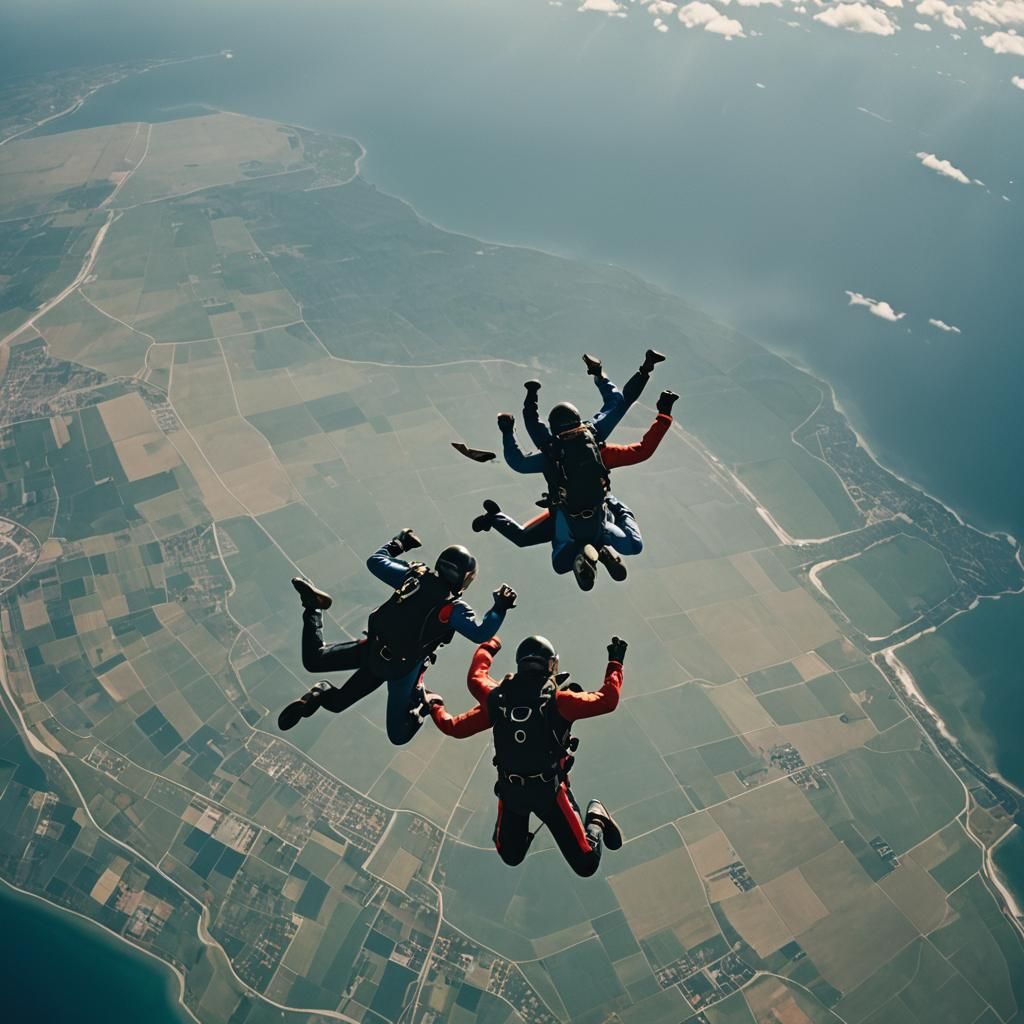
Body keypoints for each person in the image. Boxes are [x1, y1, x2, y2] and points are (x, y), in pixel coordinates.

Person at [278, 529, 517, 744]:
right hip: (401, 671)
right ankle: (426, 702)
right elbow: (480, 633)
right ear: (464, 579)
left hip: (372, 650)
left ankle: (313, 609)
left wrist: (399, 543)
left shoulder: (413, 577)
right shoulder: (451, 609)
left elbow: (375, 562)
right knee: (398, 734)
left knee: (314, 660)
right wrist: (500, 607)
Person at [424, 634, 628, 876]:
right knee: (585, 864)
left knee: (511, 855)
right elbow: (608, 701)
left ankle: (597, 815)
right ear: (551, 665)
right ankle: (594, 821)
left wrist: (489, 644)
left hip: (517, 791)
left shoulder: (498, 700)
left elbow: (461, 709)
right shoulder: (559, 701)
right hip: (547, 792)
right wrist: (615, 663)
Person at [475, 389, 678, 588]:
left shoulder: (551, 453)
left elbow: (517, 461)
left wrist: (508, 430)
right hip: (600, 519)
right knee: (633, 546)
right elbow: (641, 449)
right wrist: (664, 414)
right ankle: (601, 548)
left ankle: (496, 518)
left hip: (567, 518)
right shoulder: (596, 444)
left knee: (558, 562)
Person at [521, 349, 666, 450]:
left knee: (619, 402)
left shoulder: (550, 450)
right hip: (588, 434)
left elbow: (519, 462)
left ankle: (642, 369)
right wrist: (531, 394)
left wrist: (531, 395)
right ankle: (603, 374)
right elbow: (532, 423)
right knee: (618, 402)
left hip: (585, 440)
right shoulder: (587, 435)